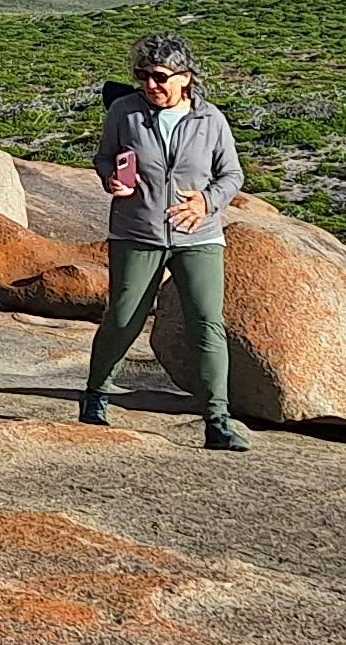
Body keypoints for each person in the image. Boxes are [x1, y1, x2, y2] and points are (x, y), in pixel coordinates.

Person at [82, 31, 251, 450]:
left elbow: (232, 175)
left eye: (159, 76)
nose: (150, 85)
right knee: (124, 317)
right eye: (143, 76)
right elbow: (105, 156)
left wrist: (207, 202)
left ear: (185, 78)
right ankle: (95, 396)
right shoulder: (125, 112)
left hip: (198, 235)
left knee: (207, 324)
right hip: (136, 230)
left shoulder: (211, 120)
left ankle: (217, 420)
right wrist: (111, 179)